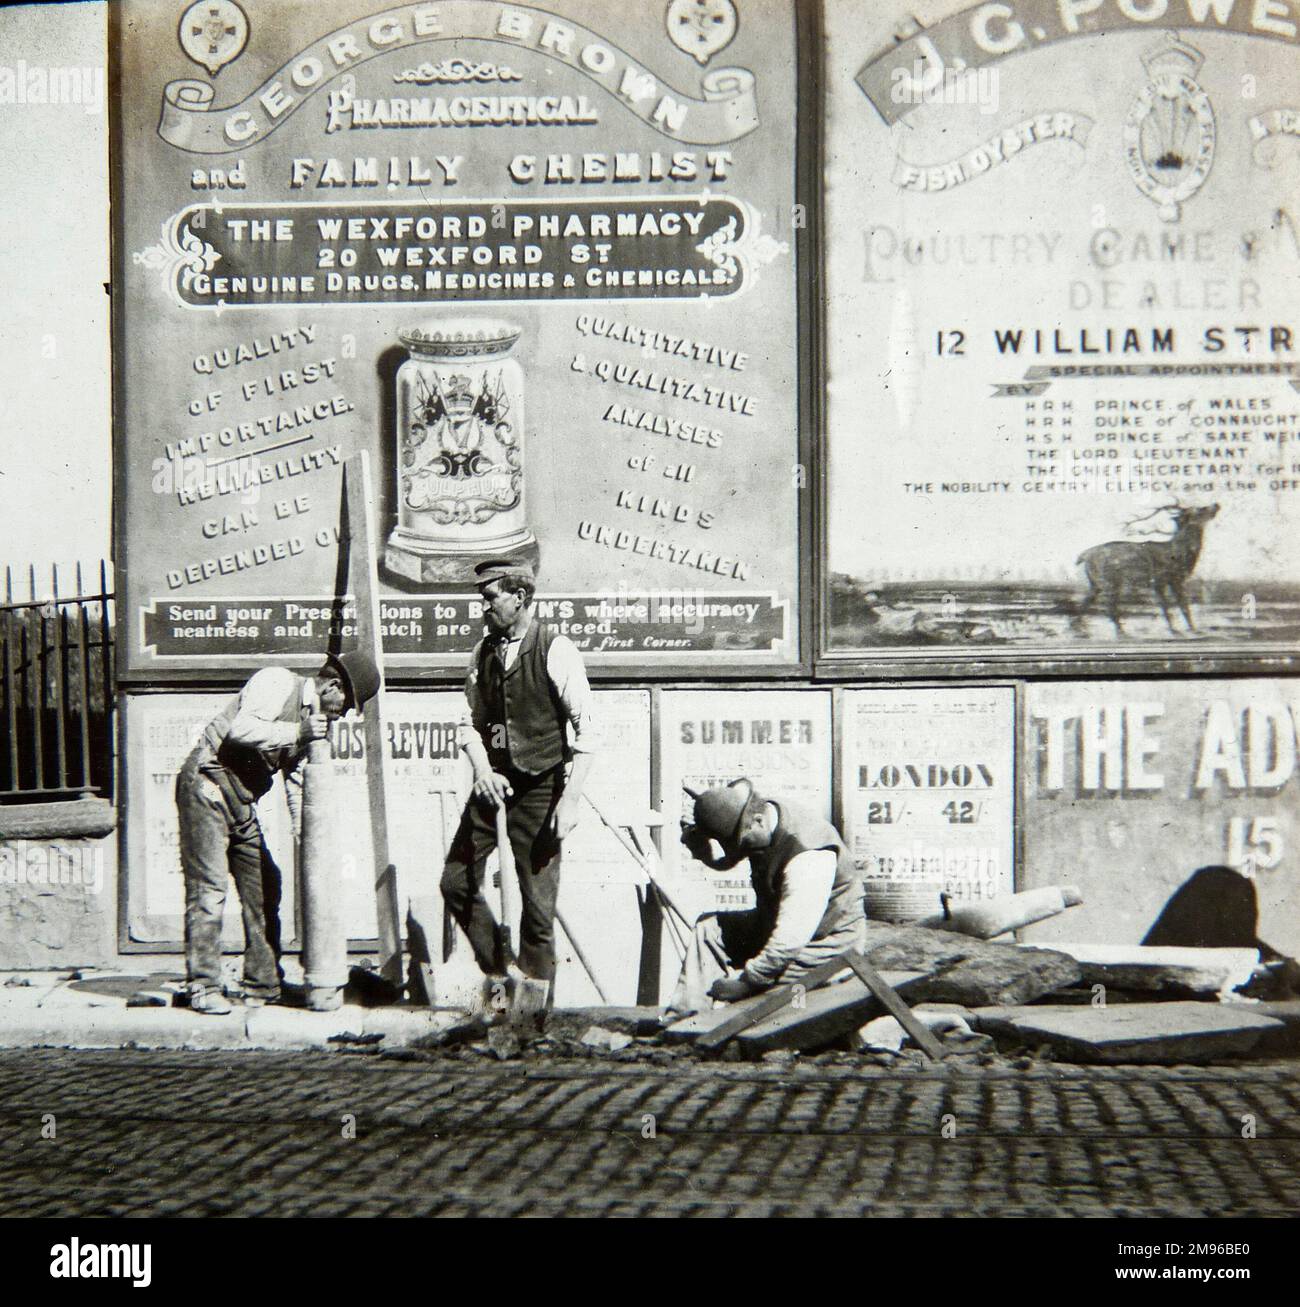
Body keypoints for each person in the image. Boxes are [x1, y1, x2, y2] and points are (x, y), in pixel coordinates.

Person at [175, 649, 380, 1015]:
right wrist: (298, 731)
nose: (345, 713)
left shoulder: (312, 728)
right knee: (210, 890)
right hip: (206, 785)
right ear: (333, 686)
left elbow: (298, 791)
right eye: (347, 704)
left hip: (240, 803)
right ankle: (202, 986)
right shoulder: (277, 681)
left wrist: (313, 854)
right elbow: (241, 730)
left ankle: (262, 983)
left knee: (266, 883)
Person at [440, 557, 596, 994]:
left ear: (519, 597)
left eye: (490, 598)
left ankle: (535, 1018)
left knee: (538, 909)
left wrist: (570, 801)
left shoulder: (556, 649)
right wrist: (483, 771)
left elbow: (589, 732)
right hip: (493, 786)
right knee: (455, 880)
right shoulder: (482, 652)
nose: (483, 608)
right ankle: (500, 972)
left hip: (541, 788)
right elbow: (467, 720)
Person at [665, 777, 866, 1019]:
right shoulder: (758, 817)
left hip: (824, 947)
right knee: (709, 930)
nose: (740, 851)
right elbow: (729, 859)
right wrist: (701, 850)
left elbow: (789, 943)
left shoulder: (808, 858)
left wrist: (747, 982)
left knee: (769, 1007)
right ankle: (684, 1019)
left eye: (741, 843)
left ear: (758, 821)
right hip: (777, 928)